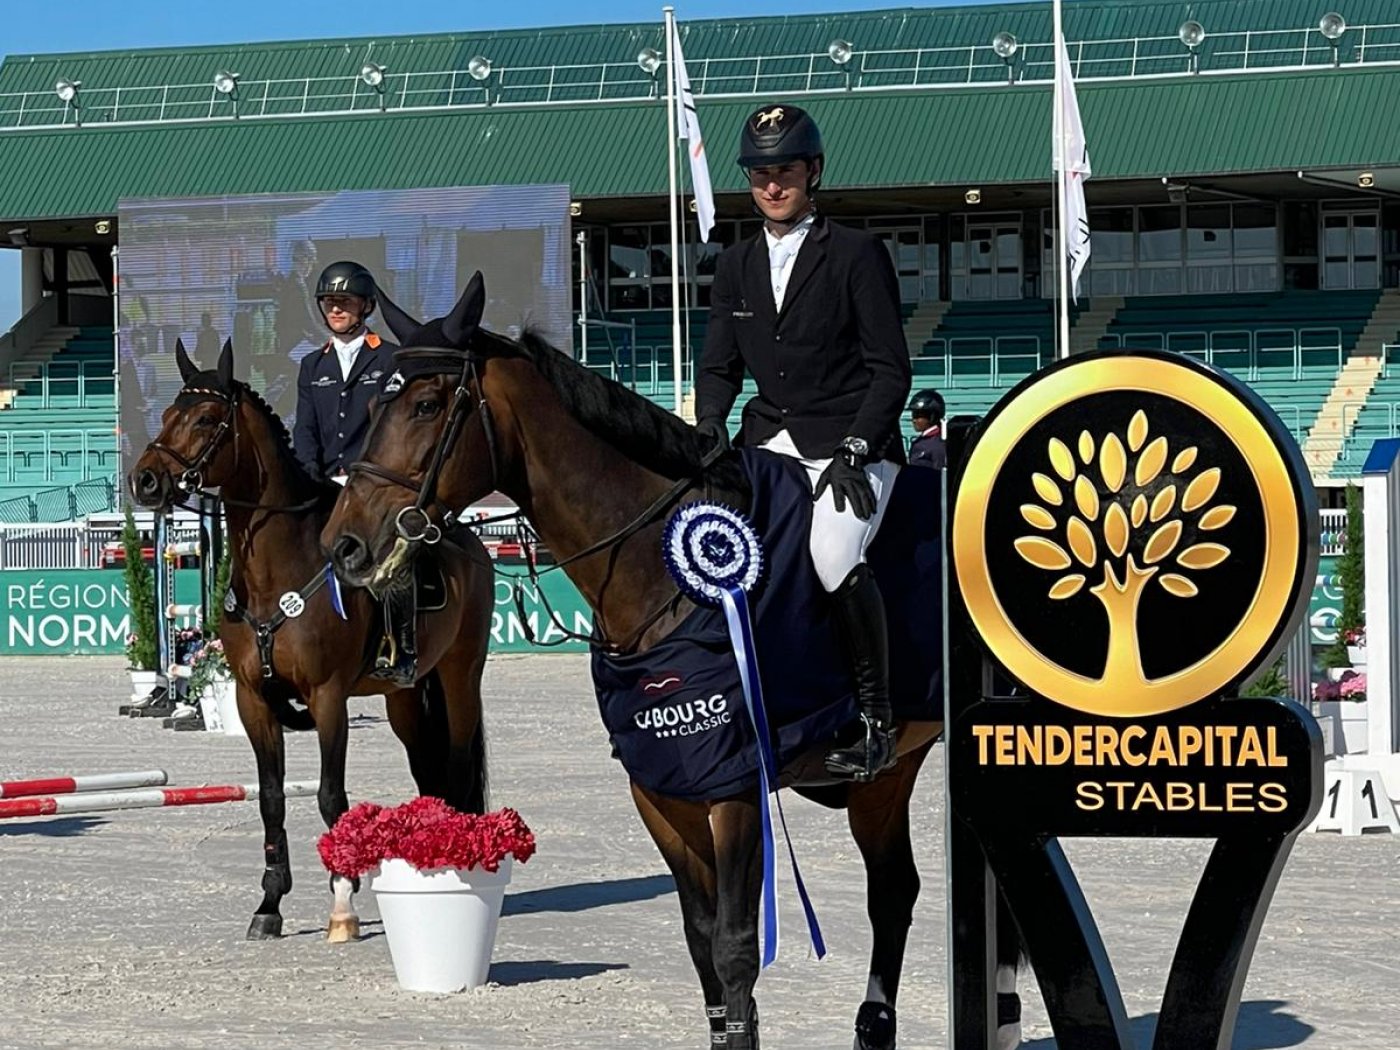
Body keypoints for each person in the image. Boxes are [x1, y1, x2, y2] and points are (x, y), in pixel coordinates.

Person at [694, 103, 912, 781]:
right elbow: (719, 366)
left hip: (853, 442)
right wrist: (707, 431)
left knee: (828, 551)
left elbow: (890, 368)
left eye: (785, 170)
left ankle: (877, 722)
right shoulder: (734, 262)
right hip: (772, 440)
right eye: (760, 173)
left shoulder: (855, 253)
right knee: (717, 554)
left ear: (813, 172)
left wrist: (856, 444)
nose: (772, 184)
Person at [291, 261, 413, 685]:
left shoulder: (390, 357)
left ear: (365, 306)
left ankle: (401, 646)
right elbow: (304, 430)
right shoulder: (312, 366)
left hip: (375, 486)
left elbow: (392, 428)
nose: (335, 309)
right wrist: (308, 479)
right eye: (329, 301)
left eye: (344, 301)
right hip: (325, 485)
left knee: (395, 559)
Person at [907, 389, 946, 470]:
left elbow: (940, 474)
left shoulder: (937, 445)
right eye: (914, 415)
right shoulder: (921, 441)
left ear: (932, 417)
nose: (914, 420)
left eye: (919, 416)